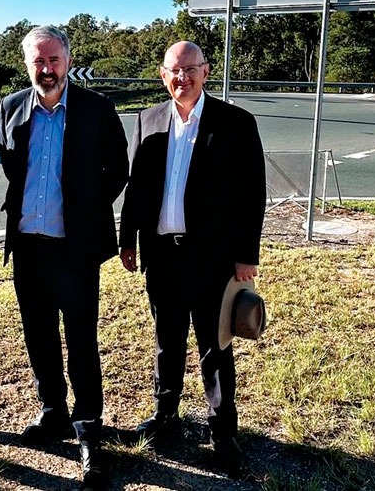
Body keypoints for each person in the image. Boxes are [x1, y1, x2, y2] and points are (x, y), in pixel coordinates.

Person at [118, 41, 266, 478]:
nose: (182, 78)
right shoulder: (148, 119)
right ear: (163, 76)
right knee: (167, 341)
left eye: (190, 69)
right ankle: (165, 417)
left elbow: (252, 194)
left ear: (205, 72)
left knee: (214, 348)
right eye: (173, 71)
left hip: (214, 260)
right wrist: (128, 239)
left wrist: (245, 256)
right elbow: (137, 187)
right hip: (162, 255)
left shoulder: (236, 123)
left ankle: (223, 434)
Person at [0, 25, 128, 487]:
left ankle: (88, 426)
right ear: (27, 64)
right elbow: (13, 167)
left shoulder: (96, 109)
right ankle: (52, 409)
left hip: (74, 249)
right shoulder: (12, 107)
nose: (46, 69)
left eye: (53, 60)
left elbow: (119, 169)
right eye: (38, 61)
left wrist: (84, 210)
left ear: (68, 62)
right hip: (28, 247)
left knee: (81, 339)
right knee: (38, 335)